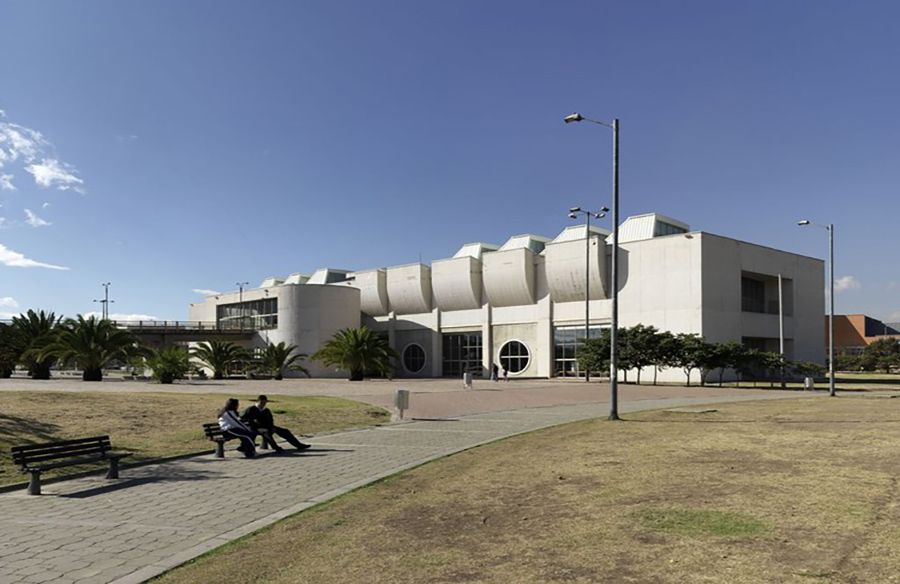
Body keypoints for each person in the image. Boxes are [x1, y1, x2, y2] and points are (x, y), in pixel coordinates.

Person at [241, 395, 311, 452]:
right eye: (261, 402)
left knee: (284, 431)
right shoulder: (251, 409)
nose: (263, 404)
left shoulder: (266, 410)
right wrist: (252, 422)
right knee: (266, 433)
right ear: (258, 401)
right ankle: (276, 447)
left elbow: (270, 421)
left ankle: (298, 445)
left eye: (265, 402)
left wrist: (272, 427)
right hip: (254, 427)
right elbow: (242, 418)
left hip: (267, 426)